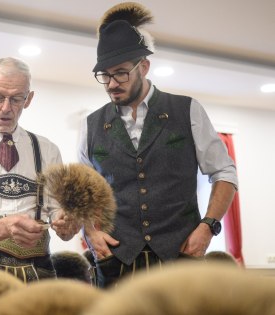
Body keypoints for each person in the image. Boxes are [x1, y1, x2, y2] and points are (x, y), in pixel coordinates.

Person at [78, 2, 238, 288]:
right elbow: (82, 191)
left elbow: (225, 172)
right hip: (117, 264)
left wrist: (209, 226)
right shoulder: (91, 124)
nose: (112, 83)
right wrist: (90, 232)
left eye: (121, 73)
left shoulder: (187, 110)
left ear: (144, 66)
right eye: (105, 75)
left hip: (181, 258)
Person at [0, 57, 80, 282]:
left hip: (40, 274)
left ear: (29, 99)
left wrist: (68, 224)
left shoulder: (48, 150)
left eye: (16, 99)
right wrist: (4, 227)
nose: (6, 108)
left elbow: (62, 222)